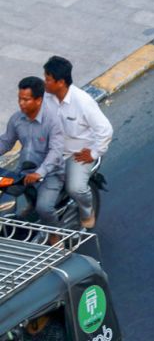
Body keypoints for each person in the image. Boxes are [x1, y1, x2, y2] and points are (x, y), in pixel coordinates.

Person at [43, 56, 113, 229]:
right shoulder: (46, 97)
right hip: (54, 150)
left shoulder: (83, 102)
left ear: (60, 82)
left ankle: (87, 211)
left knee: (75, 188)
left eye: (48, 79)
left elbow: (106, 130)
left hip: (78, 154)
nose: (45, 83)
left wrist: (94, 153)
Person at [0, 77, 64, 228]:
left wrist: (40, 172)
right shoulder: (17, 119)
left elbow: (55, 152)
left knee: (44, 208)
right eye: (19, 99)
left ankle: (55, 235)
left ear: (38, 100)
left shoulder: (53, 121)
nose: (21, 103)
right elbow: (6, 141)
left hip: (51, 173)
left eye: (26, 100)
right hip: (24, 170)